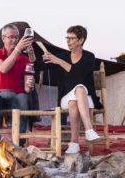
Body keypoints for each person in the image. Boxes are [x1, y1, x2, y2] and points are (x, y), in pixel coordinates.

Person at [42, 25, 102, 154]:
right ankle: (89, 130)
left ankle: (74, 143)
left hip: (86, 99)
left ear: (81, 40)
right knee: (78, 91)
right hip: (65, 98)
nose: (68, 41)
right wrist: (32, 53)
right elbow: (38, 66)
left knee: (77, 93)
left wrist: (59, 61)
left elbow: (78, 75)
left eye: (72, 38)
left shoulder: (89, 57)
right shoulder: (62, 56)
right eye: (67, 38)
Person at [0, 23, 34, 146]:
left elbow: (27, 89)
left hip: (15, 96)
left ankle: (19, 140)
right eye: (10, 37)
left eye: (16, 37)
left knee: (24, 97)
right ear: (3, 38)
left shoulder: (24, 59)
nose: (14, 40)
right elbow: (3, 68)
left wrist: (29, 84)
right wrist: (18, 49)